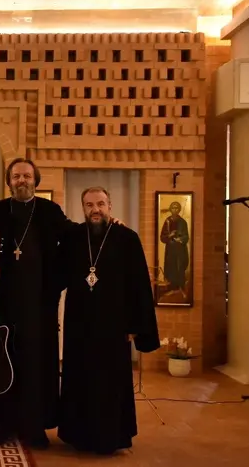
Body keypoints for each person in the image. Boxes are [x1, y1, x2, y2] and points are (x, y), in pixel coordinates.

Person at [0, 158, 123, 448]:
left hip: (40, 305)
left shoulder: (49, 211)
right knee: (3, 365)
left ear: (35, 180)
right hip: (3, 304)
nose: (22, 180)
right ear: (9, 181)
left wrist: (107, 226)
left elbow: (76, 234)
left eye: (27, 176)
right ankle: (4, 424)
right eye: (16, 176)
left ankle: (35, 426)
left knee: (37, 366)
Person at [57, 186, 160, 454]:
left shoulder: (127, 238)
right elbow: (56, 275)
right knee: (80, 380)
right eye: (89, 205)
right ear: (83, 208)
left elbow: (139, 285)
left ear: (110, 206)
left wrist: (136, 326)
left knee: (109, 383)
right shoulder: (73, 238)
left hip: (114, 325)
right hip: (79, 324)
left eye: (101, 204)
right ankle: (79, 436)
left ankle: (111, 437)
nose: (96, 210)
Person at [160, 201, 189, 298]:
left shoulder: (183, 222)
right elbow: (162, 237)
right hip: (170, 250)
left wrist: (179, 239)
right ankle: (172, 289)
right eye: (173, 208)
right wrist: (170, 235)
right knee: (171, 268)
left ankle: (181, 288)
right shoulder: (167, 221)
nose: (175, 210)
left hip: (180, 250)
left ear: (179, 209)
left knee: (179, 268)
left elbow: (186, 237)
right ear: (170, 209)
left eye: (177, 208)